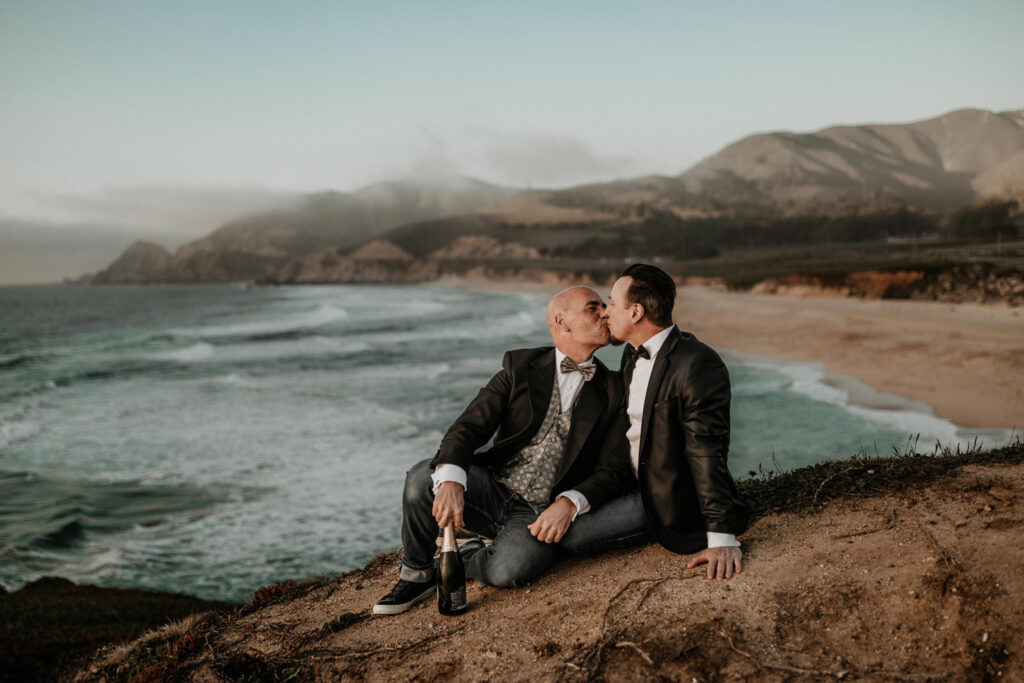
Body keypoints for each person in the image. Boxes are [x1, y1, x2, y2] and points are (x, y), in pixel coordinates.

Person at [373, 286, 631, 614]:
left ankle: (463, 557)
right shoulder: (520, 367)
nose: (605, 312)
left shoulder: (614, 389)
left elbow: (614, 468)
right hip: (492, 487)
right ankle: (417, 573)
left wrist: (569, 504)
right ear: (561, 321)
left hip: (537, 512)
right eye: (593, 307)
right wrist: (452, 480)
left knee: (508, 571)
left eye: (604, 307)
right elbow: (467, 427)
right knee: (421, 477)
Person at [561, 263, 751, 580]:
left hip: (660, 498)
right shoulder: (630, 354)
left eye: (611, 303)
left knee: (568, 538)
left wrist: (721, 536)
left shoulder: (697, 363)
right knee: (550, 515)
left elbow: (706, 450)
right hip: (621, 479)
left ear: (635, 312)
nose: (605, 313)